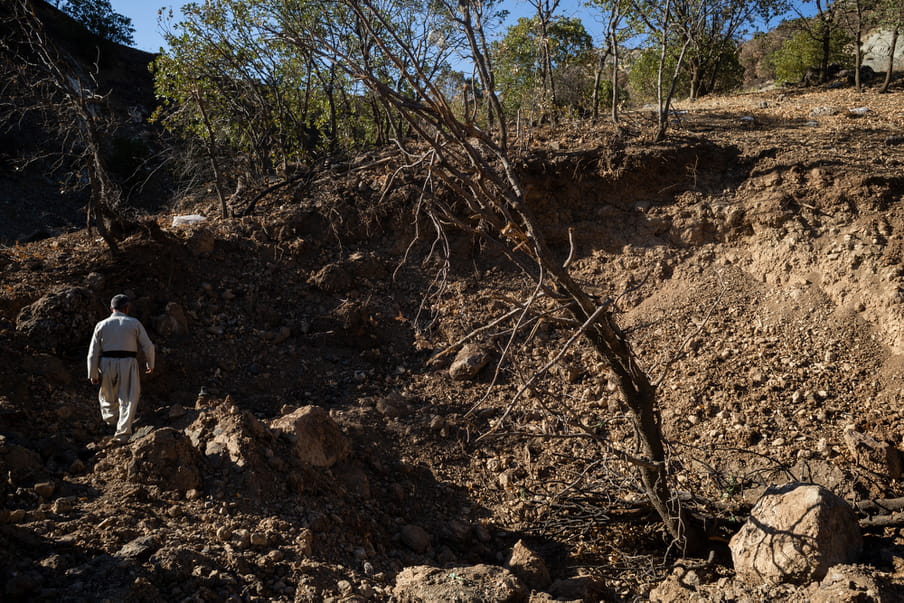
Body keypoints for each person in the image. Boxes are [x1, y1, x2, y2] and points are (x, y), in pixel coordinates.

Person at [87, 294, 155, 443]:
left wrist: (93, 373)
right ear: (126, 308)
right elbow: (148, 346)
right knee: (129, 397)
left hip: (106, 362)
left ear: (111, 308)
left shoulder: (101, 324)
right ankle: (123, 433)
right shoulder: (134, 323)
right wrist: (150, 364)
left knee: (106, 395)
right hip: (127, 362)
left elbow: (93, 351)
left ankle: (110, 421)